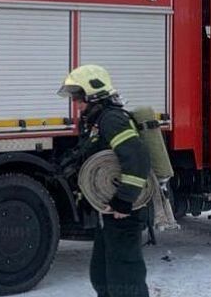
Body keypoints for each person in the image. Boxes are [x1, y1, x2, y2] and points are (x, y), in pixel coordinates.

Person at [58, 65, 152, 297]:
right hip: (109, 211)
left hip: (123, 212)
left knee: (125, 277)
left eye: (79, 97)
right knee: (101, 274)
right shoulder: (98, 121)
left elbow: (137, 159)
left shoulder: (113, 120)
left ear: (94, 95)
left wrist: (124, 201)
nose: (76, 103)